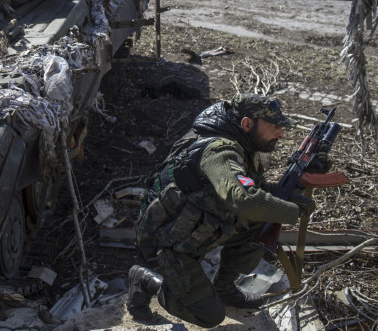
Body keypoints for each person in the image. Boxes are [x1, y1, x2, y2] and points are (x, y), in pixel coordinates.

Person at [127, 92, 326, 328]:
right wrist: (292, 212)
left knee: (262, 223)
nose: (280, 133)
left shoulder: (243, 145)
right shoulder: (219, 151)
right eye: (273, 126)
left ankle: (224, 288)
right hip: (165, 242)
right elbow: (244, 200)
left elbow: (255, 189)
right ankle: (147, 280)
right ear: (246, 123)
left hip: (195, 227)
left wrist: (292, 191)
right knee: (210, 316)